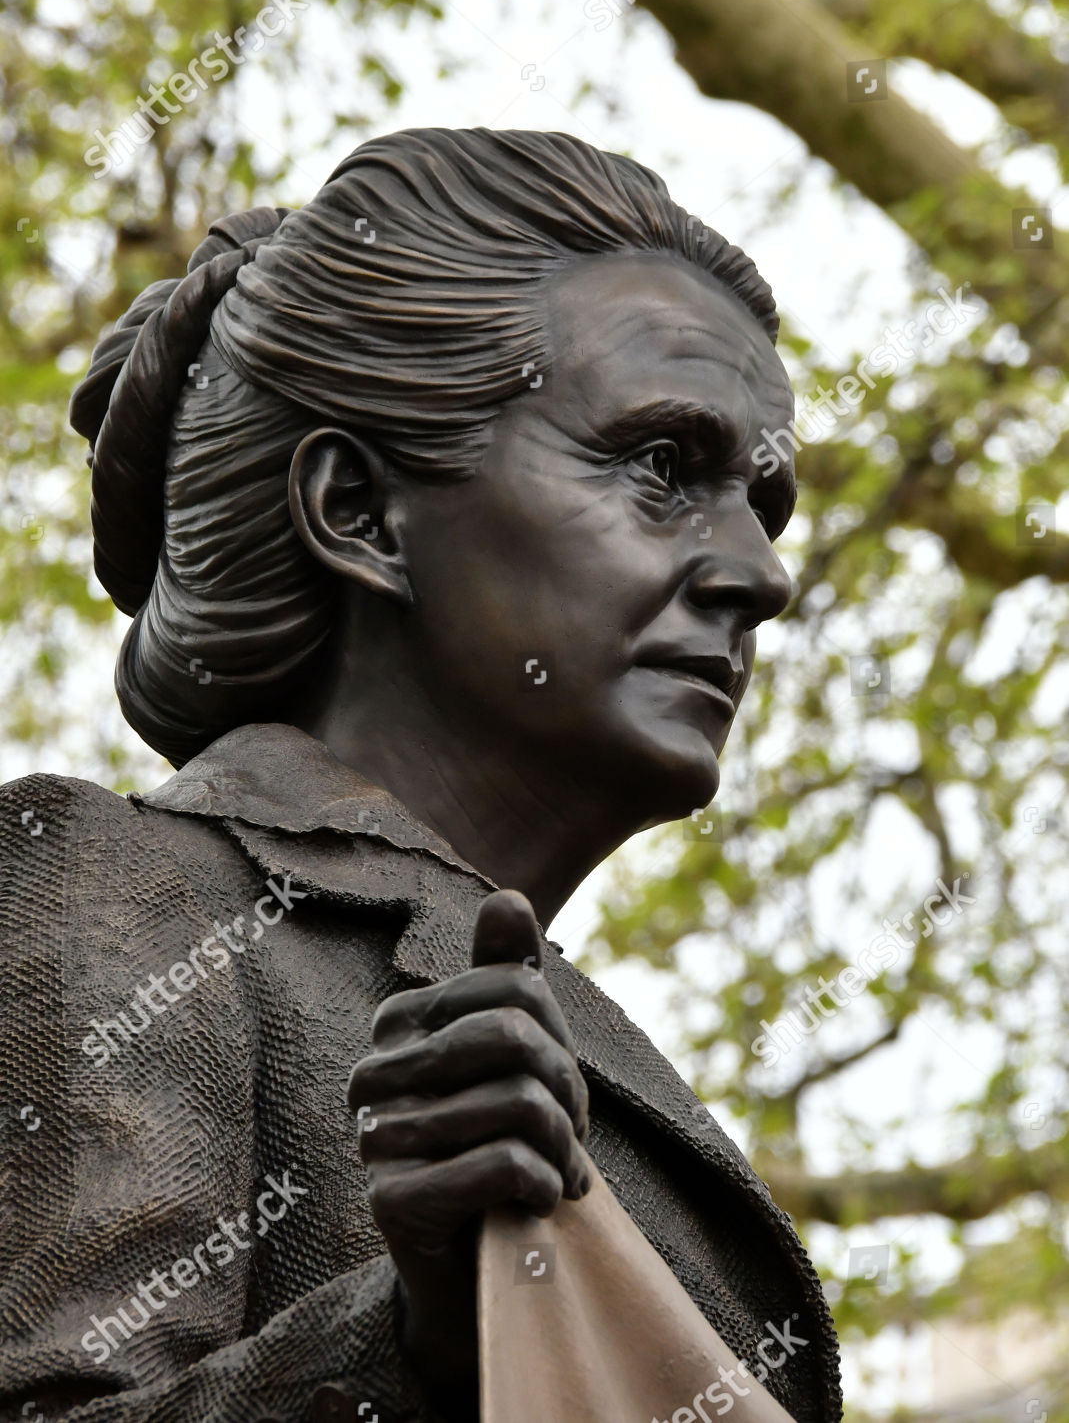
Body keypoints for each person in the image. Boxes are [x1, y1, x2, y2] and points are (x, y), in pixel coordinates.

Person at [0, 128, 840, 1423]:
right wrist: (413, 1342)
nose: (760, 574)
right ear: (356, 512)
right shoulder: (126, 891)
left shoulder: (615, 1074)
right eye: (662, 469)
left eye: (761, 501)